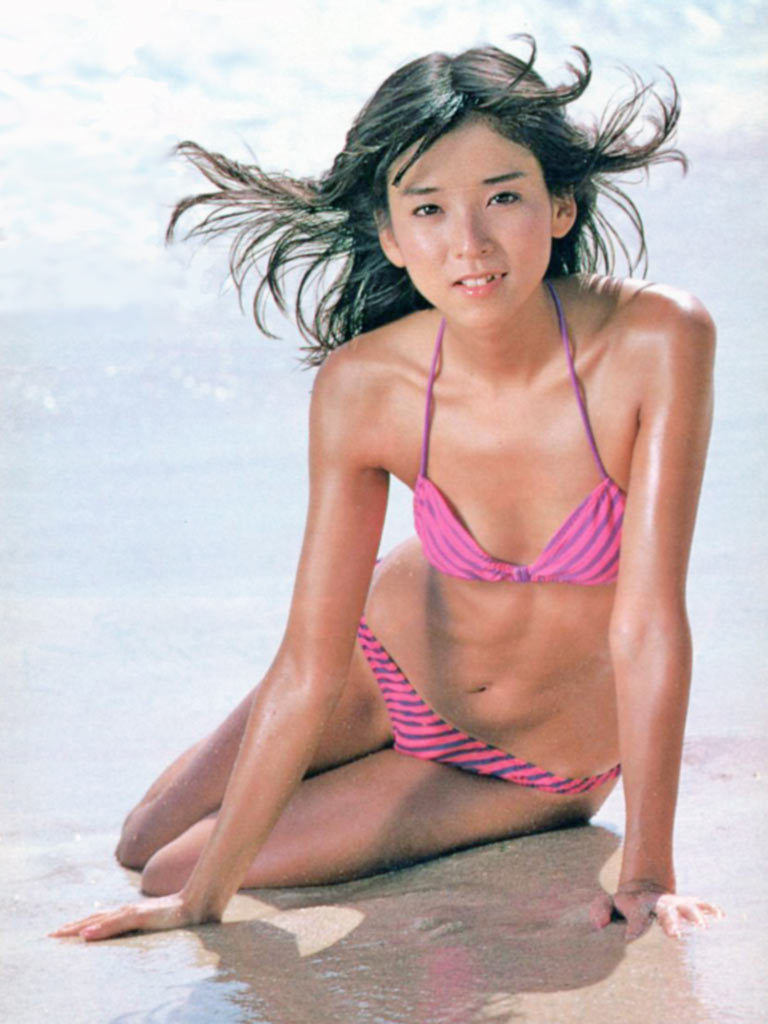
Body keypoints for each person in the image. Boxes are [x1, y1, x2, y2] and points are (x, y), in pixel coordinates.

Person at [53, 37, 723, 945]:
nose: (469, 243)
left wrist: (647, 873)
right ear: (391, 235)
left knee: (179, 863)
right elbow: (310, 662)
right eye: (429, 209)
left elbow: (646, 623)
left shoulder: (656, 338)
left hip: (516, 763)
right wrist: (200, 907)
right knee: (144, 844)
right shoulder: (364, 385)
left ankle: (499, 808)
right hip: (384, 666)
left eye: (503, 197)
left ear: (560, 204)